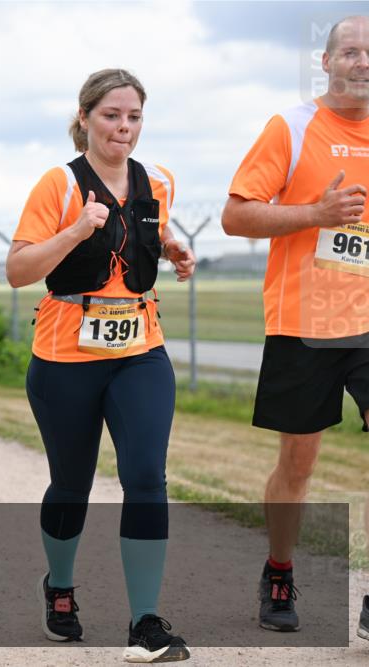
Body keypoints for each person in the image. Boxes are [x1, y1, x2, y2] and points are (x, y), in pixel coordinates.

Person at [6, 69, 195, 663]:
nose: (124, 128)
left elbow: (144, 233)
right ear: (85, 117)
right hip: (66, 356)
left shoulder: (157, 180)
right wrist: (74, 229)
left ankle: (145, 624)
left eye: (134, 116)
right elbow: (17, 269)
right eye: (112, 115)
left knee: (146, 476)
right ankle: (59, 587)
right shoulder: (58, 185)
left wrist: (172, 248)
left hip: (141, 349)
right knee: (72, 483)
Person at [221, 15, 369, 633]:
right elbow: (236, 216)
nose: (363, 63)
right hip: (303, 321)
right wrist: (317, 211)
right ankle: (279, 569)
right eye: (352, 52)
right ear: (327, 61)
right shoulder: (292, 125)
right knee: (299, 464)